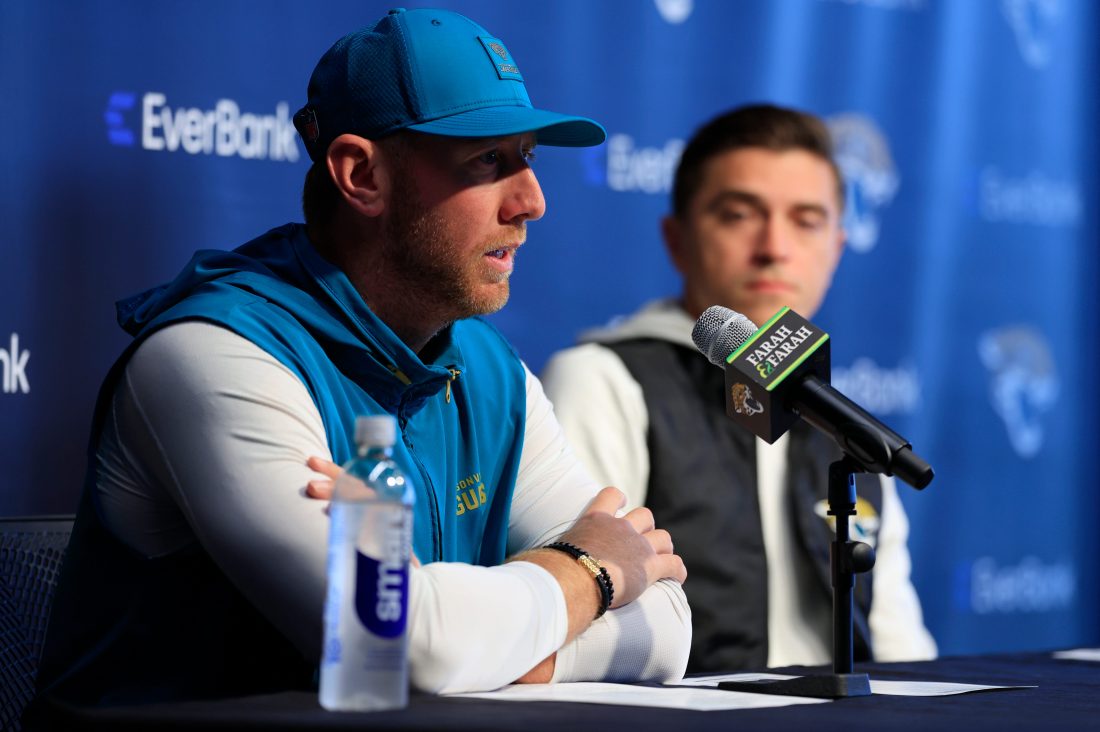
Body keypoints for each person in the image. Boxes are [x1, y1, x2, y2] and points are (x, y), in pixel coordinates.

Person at [31, 8, 690, 711]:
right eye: (487, 161)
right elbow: (396, 642)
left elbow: (668, 629)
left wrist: (506, 647)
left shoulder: (492, 374)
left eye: (527, 158)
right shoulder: (213, 356)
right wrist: (588, 572)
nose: (532, 201)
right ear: (360, 175)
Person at [541, 104, 936, 673]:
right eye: (739, 214)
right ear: (676, 240)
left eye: (806, 220)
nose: (774, 246)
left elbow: (898, 646)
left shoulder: (845, 420)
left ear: (837, 248)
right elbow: (579, 618)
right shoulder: (605, 380)